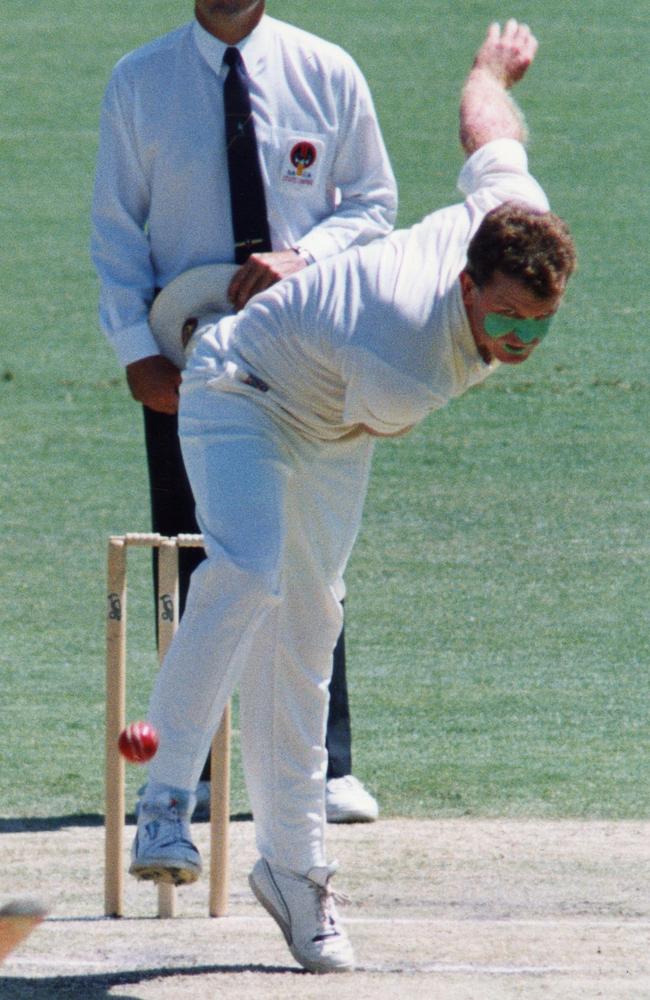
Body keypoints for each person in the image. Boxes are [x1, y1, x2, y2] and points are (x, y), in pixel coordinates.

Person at [127, 19, 576, 974]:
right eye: (503, 319)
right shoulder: (412, 357)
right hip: (240, 388)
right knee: (248, 572)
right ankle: (164, 802)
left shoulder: (508, 214)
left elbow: (490, 132)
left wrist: (490, 66)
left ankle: (295, 871)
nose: (517, 342)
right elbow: (369, 418)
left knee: (311, 626)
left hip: (331, 417)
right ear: (465, 284)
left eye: (537, 326)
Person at [91, 0, 398, 824]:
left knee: (307, 555)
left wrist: (305, 254)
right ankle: (185, 770)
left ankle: (324, 768)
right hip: (187, 355)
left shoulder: (326, 70)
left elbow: (373, 203)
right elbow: (116, 232)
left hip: (307, 355)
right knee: (201, 550)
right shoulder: (140, 81)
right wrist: (134, 353)